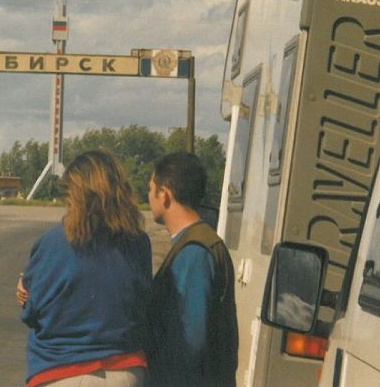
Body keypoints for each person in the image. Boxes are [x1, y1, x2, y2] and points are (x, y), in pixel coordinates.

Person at [17, 150, 152, 387]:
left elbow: (32, 311)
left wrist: (24, 295)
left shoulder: (52, 243)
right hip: (126, 371)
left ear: (75, 194)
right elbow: (142, 304)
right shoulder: (138, 242)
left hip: (61, 371)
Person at [146, 151, 238, 387]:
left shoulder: (194, 253)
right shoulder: (197, 243)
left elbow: (191, 341)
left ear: (164, 194)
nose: (149, 197)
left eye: (150, 189)